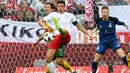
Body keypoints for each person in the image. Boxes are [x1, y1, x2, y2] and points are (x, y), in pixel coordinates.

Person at [38, 0, 89, 73]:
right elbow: (40, 21)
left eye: (62, 6)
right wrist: (44, 27)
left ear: (65, 7)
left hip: (65, 37)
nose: (60, 8)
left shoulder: (70, 15)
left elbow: (79, 26)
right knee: (54, 60)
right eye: (59, 6)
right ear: (57, 7)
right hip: (56, 39)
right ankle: (72, 71)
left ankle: (59, 28)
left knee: (64, 32)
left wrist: (87, 33)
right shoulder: (53, 15)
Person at [33, 2, 76, 73]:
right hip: (53, 42)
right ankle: (72, 70)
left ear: (52, 9)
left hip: (59, 41)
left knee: (57, 61)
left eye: (48, 7)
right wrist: (38, 41)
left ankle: (72, 70)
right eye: (45, 7)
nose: (46, 8)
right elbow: (46, 32)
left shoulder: (54, 17)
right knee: (49, 61)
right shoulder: (47, 19)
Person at [91, 6, 129, 73]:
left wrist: (124, 24)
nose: (104, 13)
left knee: (123, 56)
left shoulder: (113, 20)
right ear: (101, 13)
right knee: (95, 60)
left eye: (106, 12)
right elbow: (97, 27)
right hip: (103, 43)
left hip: (113, 41)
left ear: (108, 13)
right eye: (103, 12)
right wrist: (95, 30)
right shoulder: (98, 21)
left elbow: (119, 22)